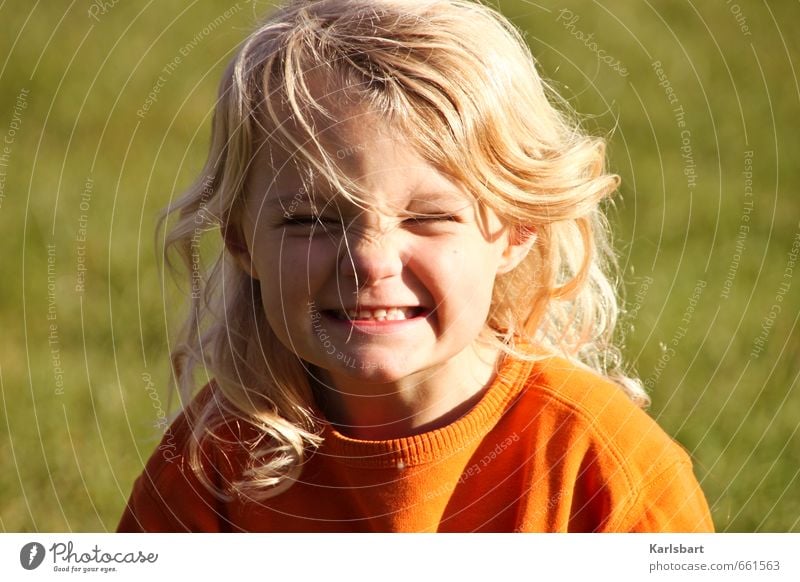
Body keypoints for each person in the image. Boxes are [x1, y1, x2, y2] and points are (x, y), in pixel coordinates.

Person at [118, 0, 713, 532]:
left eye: (429, 218)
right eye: (309, 219)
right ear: (243, 241)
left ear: (517, 229)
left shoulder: (601, 465)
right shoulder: (213, 465)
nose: (370, 260)